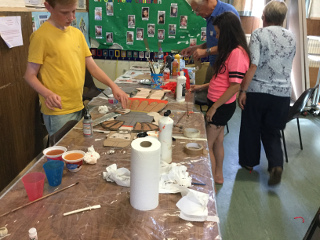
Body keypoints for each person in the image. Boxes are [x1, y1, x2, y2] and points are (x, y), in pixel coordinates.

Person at [23, 0, 128, 136]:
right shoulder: (41, 37)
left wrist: (113, 86)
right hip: (58, 110)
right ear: (48, 7)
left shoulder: (77, 34)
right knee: (63, 151)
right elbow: (29, 75)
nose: (71, 17)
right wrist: (47, 94)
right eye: (65, 13)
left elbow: (93, 68)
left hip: (78, 104)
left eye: (73, 11)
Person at [238, 0, 296, 186]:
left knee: (251, 127)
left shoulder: (258, 34)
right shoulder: (292, 37)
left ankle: (248, 163)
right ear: (282, 18)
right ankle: (276, 165)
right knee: (272, 131)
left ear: (264, 17)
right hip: (282, 94)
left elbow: (253, 64)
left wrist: (243, 90)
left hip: (258, 91)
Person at [191, 12, 250, 184]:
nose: (216, 37)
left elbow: (235, 86)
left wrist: (215, 107)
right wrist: (202, 87)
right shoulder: (229, 51)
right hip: (217, 102)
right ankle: (217, 175)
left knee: (207, 144)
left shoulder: (238, 54)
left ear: (228, 32)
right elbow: (220, 80)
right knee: (218, 141)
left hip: (221, 106)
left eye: (218, 33)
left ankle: (207, 178)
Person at [181, 0, 239, 84]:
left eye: (197, 9)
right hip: (213, 65)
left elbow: (232, 45)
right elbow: (213, 41)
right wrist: (196, 48)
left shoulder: (228, 12)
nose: (197, 14)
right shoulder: (208, 16)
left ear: (207, 1)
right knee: (204, 94)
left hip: (225, 69)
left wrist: (206, 52)